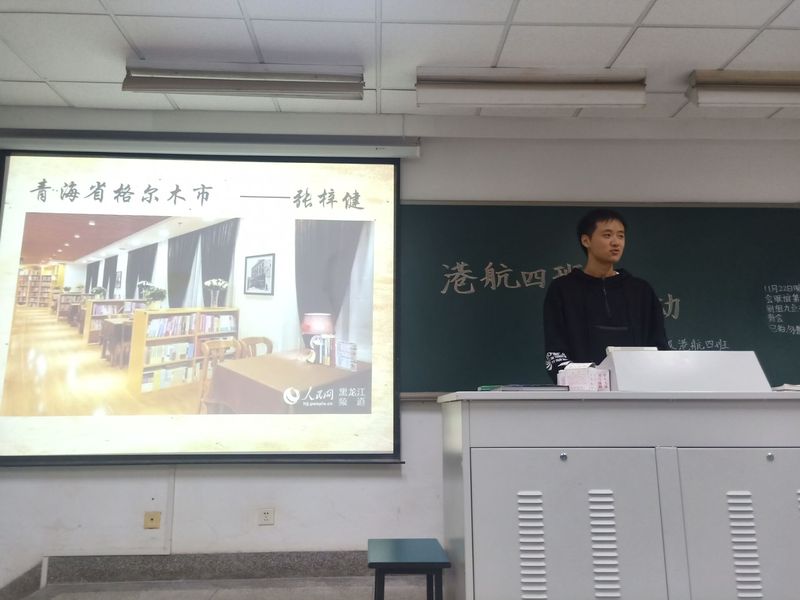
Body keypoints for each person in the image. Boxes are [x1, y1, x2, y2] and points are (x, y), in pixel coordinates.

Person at [543, 208, 668, 382]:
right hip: (581, 393)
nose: (616, 242)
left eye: (621, 236)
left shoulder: (641, 291)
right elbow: (555, 352)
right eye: (607, 235)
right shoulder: (562, 290)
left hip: (638, 391)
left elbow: (660, 348)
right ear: (586, 240)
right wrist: (591, 381)